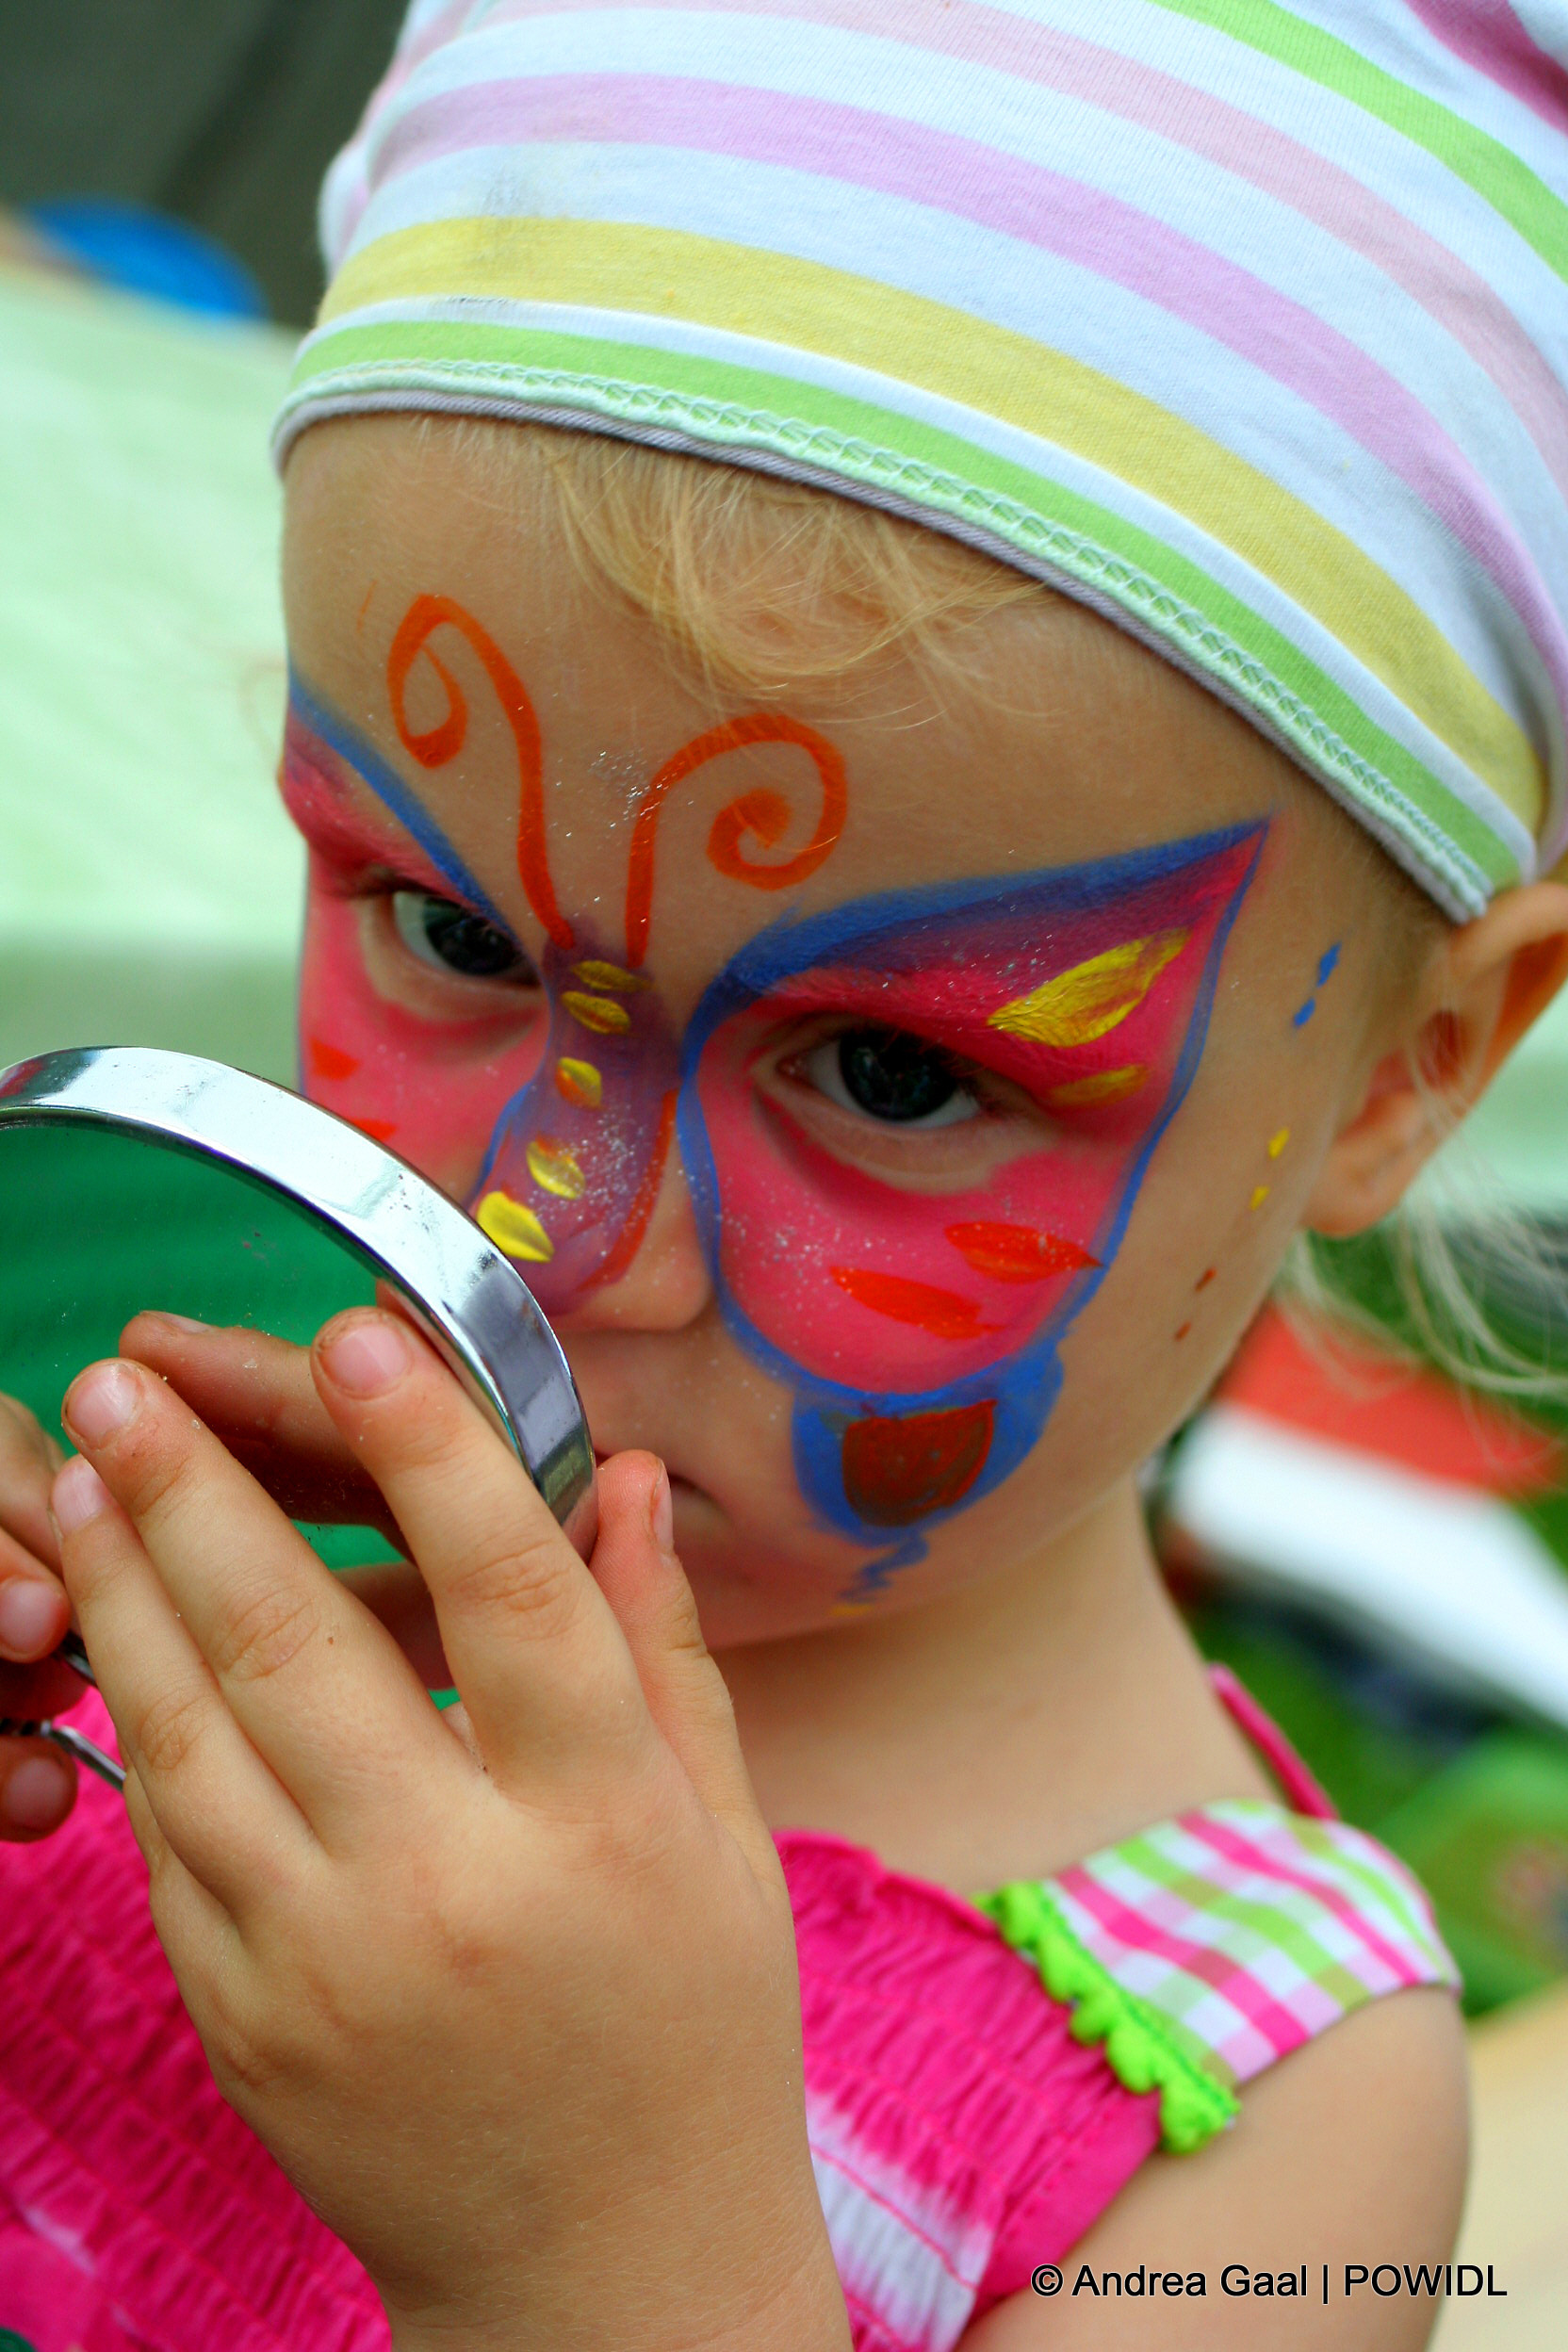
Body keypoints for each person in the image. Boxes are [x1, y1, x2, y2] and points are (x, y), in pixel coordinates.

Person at [2, 2, 1566, 2344]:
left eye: (887, 1073)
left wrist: (597, 2246)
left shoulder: (1270, 2125)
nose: (555, 1235)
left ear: (1406, 1069)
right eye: (447, 932)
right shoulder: (144, 1469)